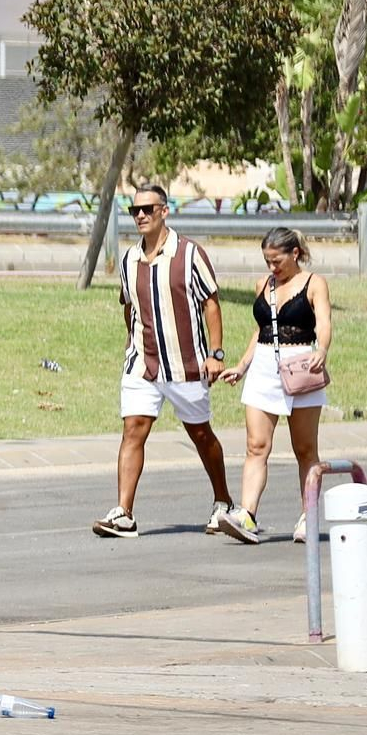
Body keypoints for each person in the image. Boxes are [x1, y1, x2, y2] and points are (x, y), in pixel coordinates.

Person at [93, 183, 238, 539]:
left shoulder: (189, 254)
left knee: (201, 434)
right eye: (134, 211)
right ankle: (123, 513)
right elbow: (128, 305)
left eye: (147, 209)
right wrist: (131, 342)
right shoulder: (128, 259)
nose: (140, 216)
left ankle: (223, 501)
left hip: (185, 364)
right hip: (143, 364)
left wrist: (215, 354)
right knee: (133, 431)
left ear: (164, 211)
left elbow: (211, 304)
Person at [218, 228, 333, 545]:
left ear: (295, 253)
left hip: (301, 365)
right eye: (267, 261)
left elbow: (323, 322)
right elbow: (262, 330)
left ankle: (308, 515)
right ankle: (247, 515)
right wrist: (242, 366)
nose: (272, 268)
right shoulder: (264, 285)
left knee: (305, 449)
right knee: (256, 446)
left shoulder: (314, 284)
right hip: (265, 366)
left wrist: (321, 349)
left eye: (277, 260)